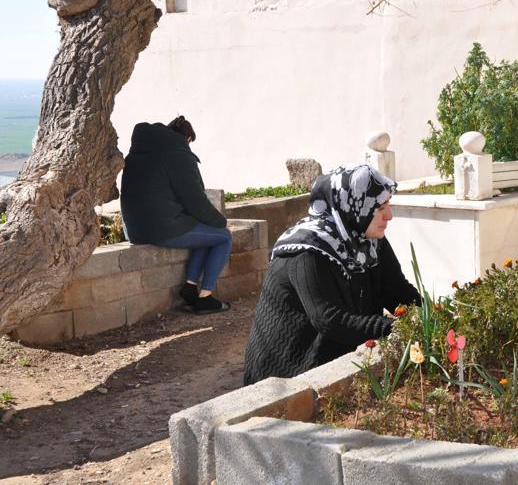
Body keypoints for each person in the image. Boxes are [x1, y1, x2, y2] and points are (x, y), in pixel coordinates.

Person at [243, 163, 420, 385]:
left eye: (388, 205)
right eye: (380, 207)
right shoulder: (307, 250)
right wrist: (395, 327)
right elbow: (330, 319)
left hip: (330, 357)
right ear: (353, 206)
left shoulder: (366, 240)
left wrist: (428, 317)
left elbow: (395, 290)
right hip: (286, 373)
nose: (389, 216)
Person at [120, 116, 231, 314]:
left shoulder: (141, 149)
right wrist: (222, 223)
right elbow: (195, 200)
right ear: (187, 138)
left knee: (207, 234)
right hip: (162, 228)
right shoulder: (177, 154)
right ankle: (205, 297)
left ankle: (189, 288)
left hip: (134, 229)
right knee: (223, 237)